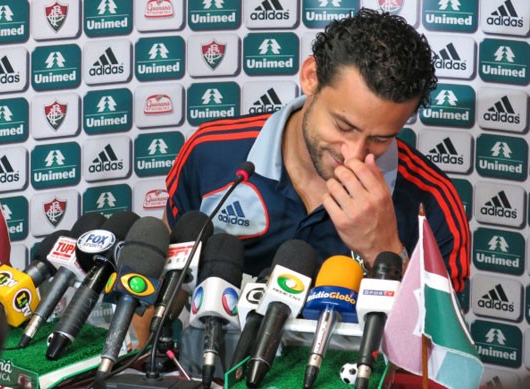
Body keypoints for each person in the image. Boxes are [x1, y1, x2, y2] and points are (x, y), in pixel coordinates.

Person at [165, 8, 470, 295]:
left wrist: (384, 251)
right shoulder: (211, 152)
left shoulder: (432, 202)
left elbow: (437, 346)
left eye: (380, 138)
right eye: (343, 126)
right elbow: (162, 291)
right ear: (311, 77)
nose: (353, 154)